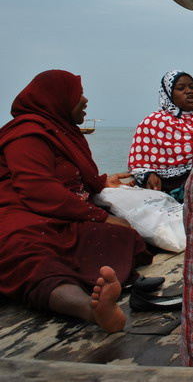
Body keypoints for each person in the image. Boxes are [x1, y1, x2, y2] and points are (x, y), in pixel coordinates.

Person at [0, 70, 153, 332]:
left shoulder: (64, 132)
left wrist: (102, 182)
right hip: (21, 216)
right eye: (77, 93)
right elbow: (38, 188)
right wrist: (102, 216)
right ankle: (90, 308)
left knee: (124, 236)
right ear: (56, 98)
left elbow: (71, 174)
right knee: (32, 257)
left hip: (60, 216)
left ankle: (101, 280)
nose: (85, 100)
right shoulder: (27, 134)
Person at [128, 70, 193, 200]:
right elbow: (139, 164)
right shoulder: (153, 123)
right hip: (174, 190)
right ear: (169, 95)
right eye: (181, 88)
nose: (189, 91)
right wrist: (148, 175)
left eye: (192, 87)